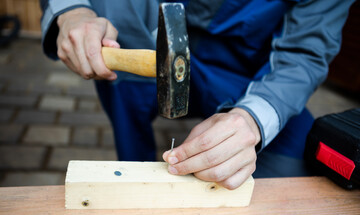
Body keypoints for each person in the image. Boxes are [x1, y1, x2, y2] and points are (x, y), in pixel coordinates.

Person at [40, 0, 354, 190]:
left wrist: (253, 119)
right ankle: (135, 176)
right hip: (141, 41)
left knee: (296, 169)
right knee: (127, 101)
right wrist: (71, 10)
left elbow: (305, 53)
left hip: (246, 69)